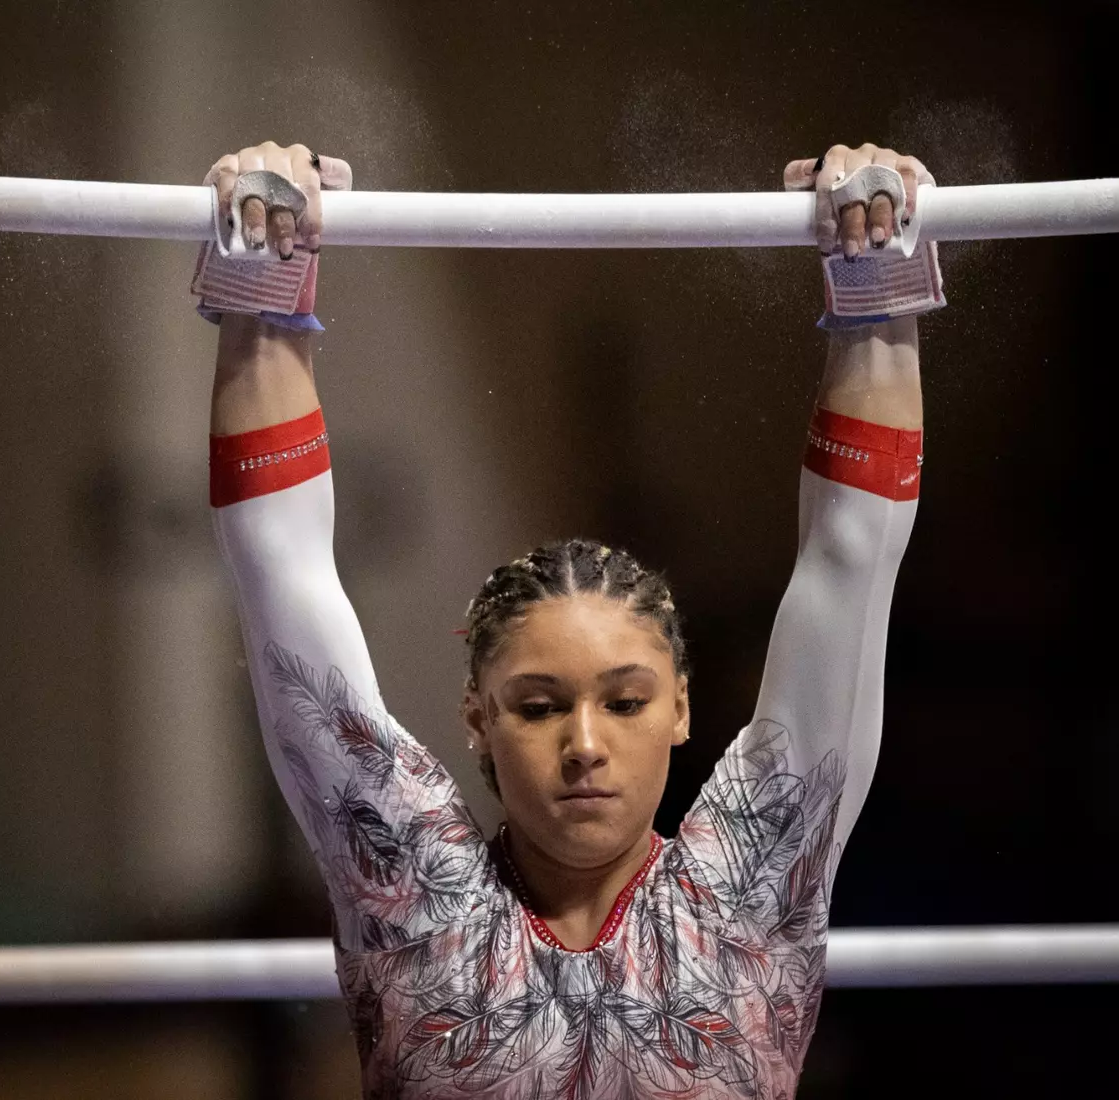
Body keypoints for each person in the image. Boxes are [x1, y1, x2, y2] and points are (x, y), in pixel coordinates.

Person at [203, 139, 930, 1098]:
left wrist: (878, 272)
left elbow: (852, 565)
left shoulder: (755, 874)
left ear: (680, 708)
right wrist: (262, 275)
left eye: (624, 704)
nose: (584, 744)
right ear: (477, 718)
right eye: (540, 707)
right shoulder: (415, 887)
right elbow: (276, 574)